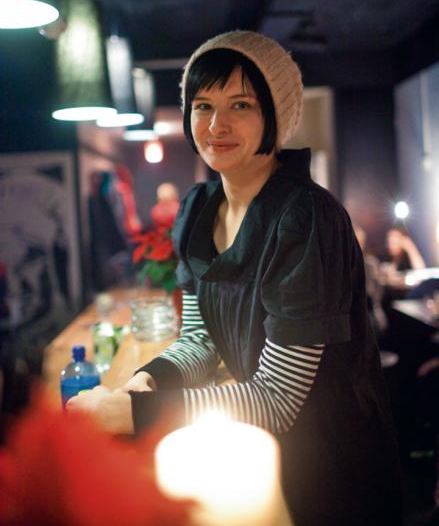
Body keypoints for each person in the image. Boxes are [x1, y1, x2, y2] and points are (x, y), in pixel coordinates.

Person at [68, 31, 402, 526]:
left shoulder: (306, 217)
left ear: (276, 116)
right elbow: (200, 340)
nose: (216, 125)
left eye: (240, 105)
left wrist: (132, 413)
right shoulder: (198, 209)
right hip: (252, 455)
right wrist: (144, 382)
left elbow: (279, 397)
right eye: (203, 106)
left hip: (327, 467)